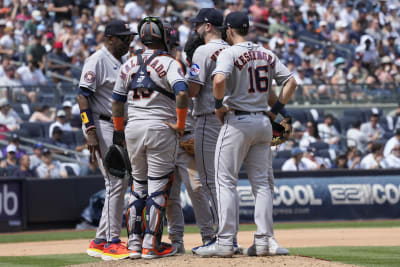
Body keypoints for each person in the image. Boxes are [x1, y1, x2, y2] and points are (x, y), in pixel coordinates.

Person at [194, 12, 296, 257]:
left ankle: (226, 241)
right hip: (262, 121)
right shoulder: (267, 53)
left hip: (237, 121)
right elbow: (291, 82)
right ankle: (265, 241)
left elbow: (218, 80)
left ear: (228, 30)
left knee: (225, 181)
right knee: (262, 184)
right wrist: (277, 111)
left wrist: (218, 105)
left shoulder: (230, 52)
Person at [112, 16, 188, 260]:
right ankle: (150, 245)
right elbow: (182, 92)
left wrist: (118, 130)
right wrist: (181, 124)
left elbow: (116, 101)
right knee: (157, 189)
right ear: (163, 37)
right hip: (160, 128)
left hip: (133, 127)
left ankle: (133, 243)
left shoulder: (128, 64)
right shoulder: (170, 63)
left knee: (137, 188)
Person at [78, 20, 136, 260]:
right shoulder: (97, 60)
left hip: (114, 126)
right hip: (100, 124)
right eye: (124, 38)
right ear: (110, 38)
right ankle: (112, 242)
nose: (128, 42)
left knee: (118, 183)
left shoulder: (118, 61)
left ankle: (100, 239)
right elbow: (83, 96)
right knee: (115, 182)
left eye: (129, 38)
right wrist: (90, 130)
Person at [165, 25, 215, 254]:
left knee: (196, 189)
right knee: (171, 194)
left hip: (187, 136)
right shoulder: (162, 67)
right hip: (166, 138)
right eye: (171, 46)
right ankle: (176, 240)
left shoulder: (187, 68)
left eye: (174, 46)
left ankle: (208, 236)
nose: (173, 50)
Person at [187, 8, 230, 248]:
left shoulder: (203, 51)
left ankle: (224, 238)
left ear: (208, 26)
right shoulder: (233, 50)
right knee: (226, 180)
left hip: (209, 117)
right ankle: (230, 235)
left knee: (209, 180)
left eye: (197, 25)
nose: (195, 29)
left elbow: (192, 90)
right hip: (234, 119)